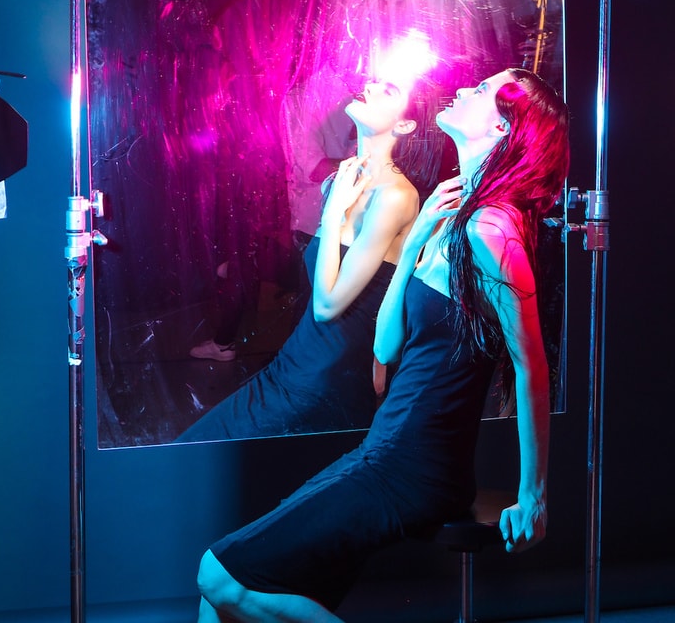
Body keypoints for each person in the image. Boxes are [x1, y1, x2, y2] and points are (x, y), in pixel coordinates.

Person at [196, 68, 569, 622]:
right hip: (384, 450)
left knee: (218, 575)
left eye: (482, 91)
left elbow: (531, 366)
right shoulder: (450, 215)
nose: (463, 90)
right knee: (218, 602)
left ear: (502, 127)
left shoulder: (492, 230)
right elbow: (387, 345)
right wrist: (415, 239)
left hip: (415, 468)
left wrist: (533, 496)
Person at [179, 76, 445, 442]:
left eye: (389, 90)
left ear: (405, 125)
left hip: (325, 380)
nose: (370, 85)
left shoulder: (395, 196)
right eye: (375, 81)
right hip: (296, 364)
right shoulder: (346, 179)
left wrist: (333, 214)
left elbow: (327, 306)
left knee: (197, 454)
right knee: (195, 452)